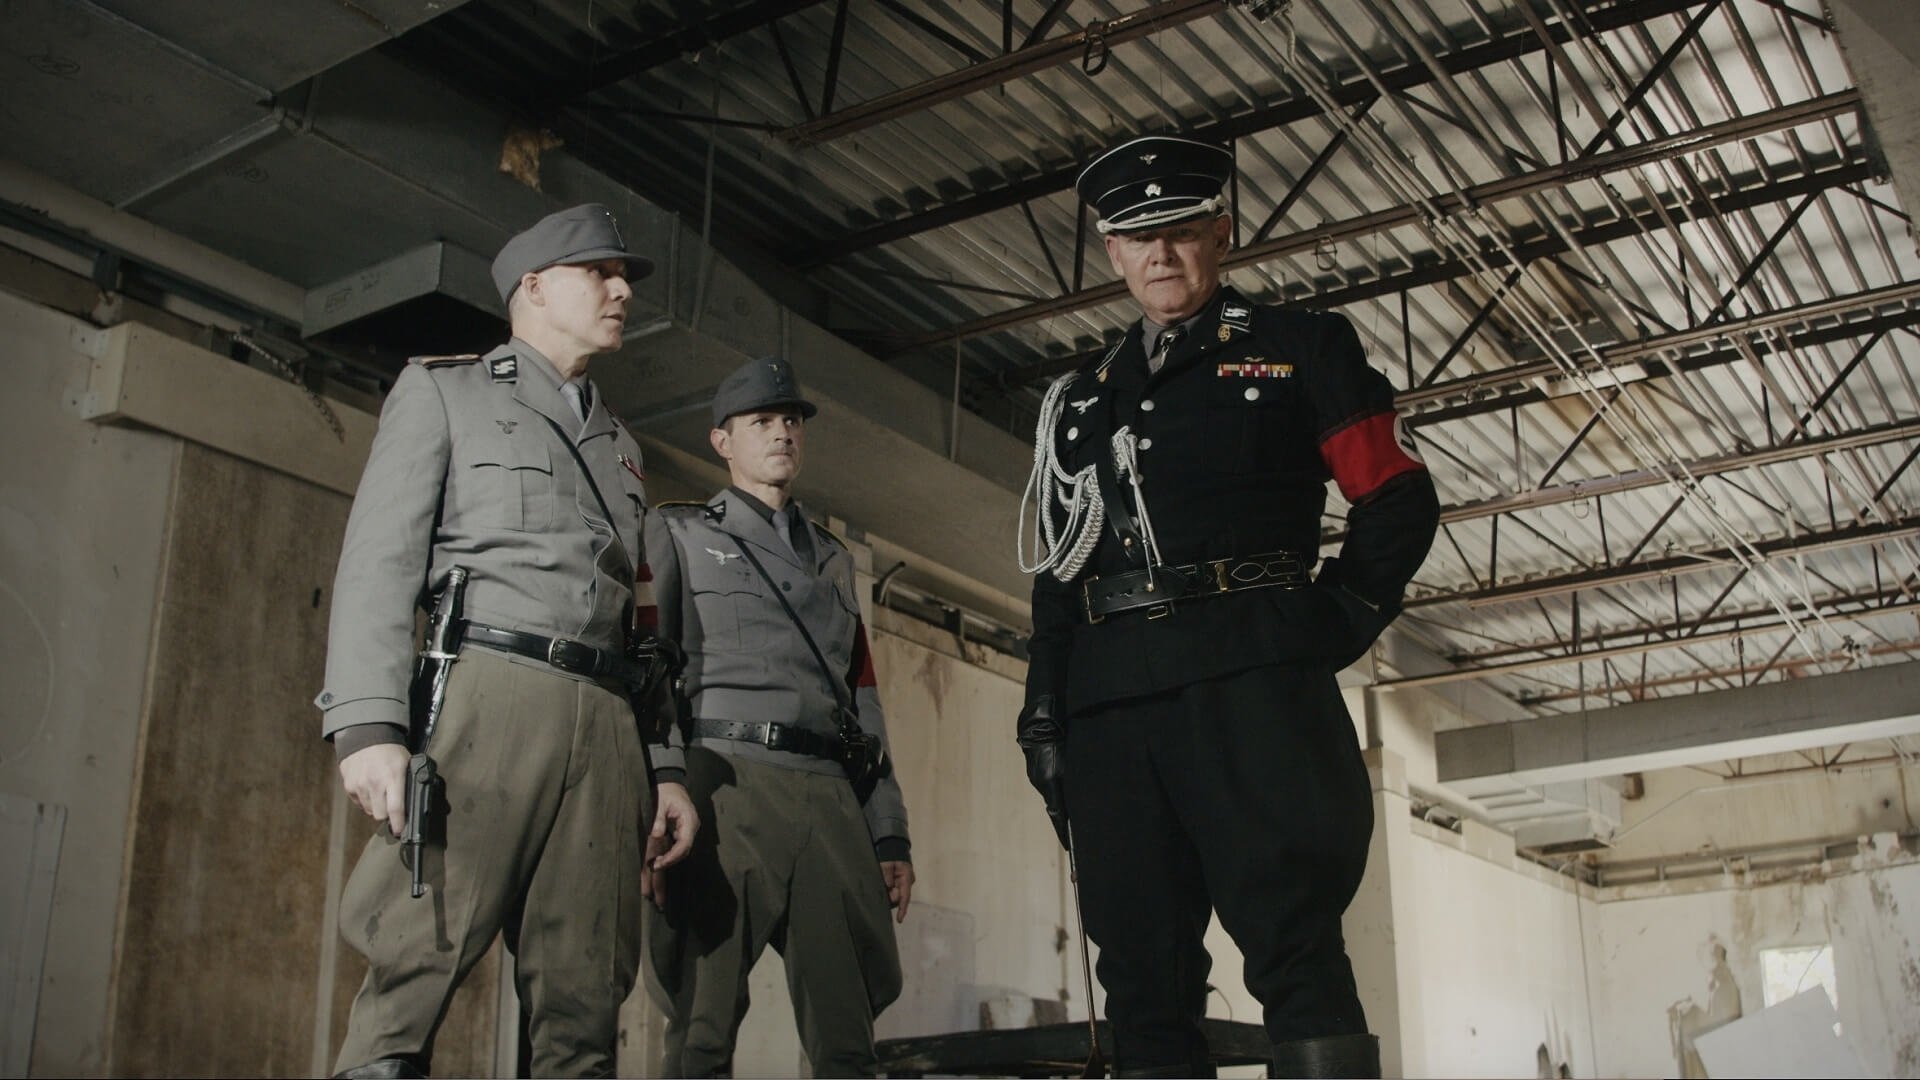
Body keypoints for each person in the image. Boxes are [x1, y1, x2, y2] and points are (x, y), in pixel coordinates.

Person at [1015, 136, 1439, 1079]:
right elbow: (1059, 572)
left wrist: (1331, 620)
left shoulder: (1299, 348)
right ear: (1114, 253)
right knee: (1140, 978)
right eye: (1138, 237)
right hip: (1113, 710)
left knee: (1296, 948)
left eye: (1179, 230)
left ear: (1222, 232)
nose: (1160, 254)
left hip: (1254, 691)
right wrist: (1045, 706)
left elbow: (1395, 496)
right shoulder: (1081, 400)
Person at [318, 203, 700, 1079]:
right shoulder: (445, 392)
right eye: (600, 273)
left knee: (585, 995)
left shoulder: (622, 447)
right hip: (490, 693)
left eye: (625, 278)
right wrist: (369, 727)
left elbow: (642, 627)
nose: (621, 292)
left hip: (607, 725)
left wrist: (666, 764)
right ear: (533, 286)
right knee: (415, 961)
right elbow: (379, 561)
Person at [642, 356, 913, 1078]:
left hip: (829, 794)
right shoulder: (678, 534)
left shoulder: (834, 559)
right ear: (721, 441)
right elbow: (652, 676)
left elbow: (863, 697)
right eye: (760, 421)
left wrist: (888, 829)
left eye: (791, 420)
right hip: (726, 784)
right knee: (702, 1029)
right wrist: (661, 786)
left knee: (848, 1037)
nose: (782, 433)